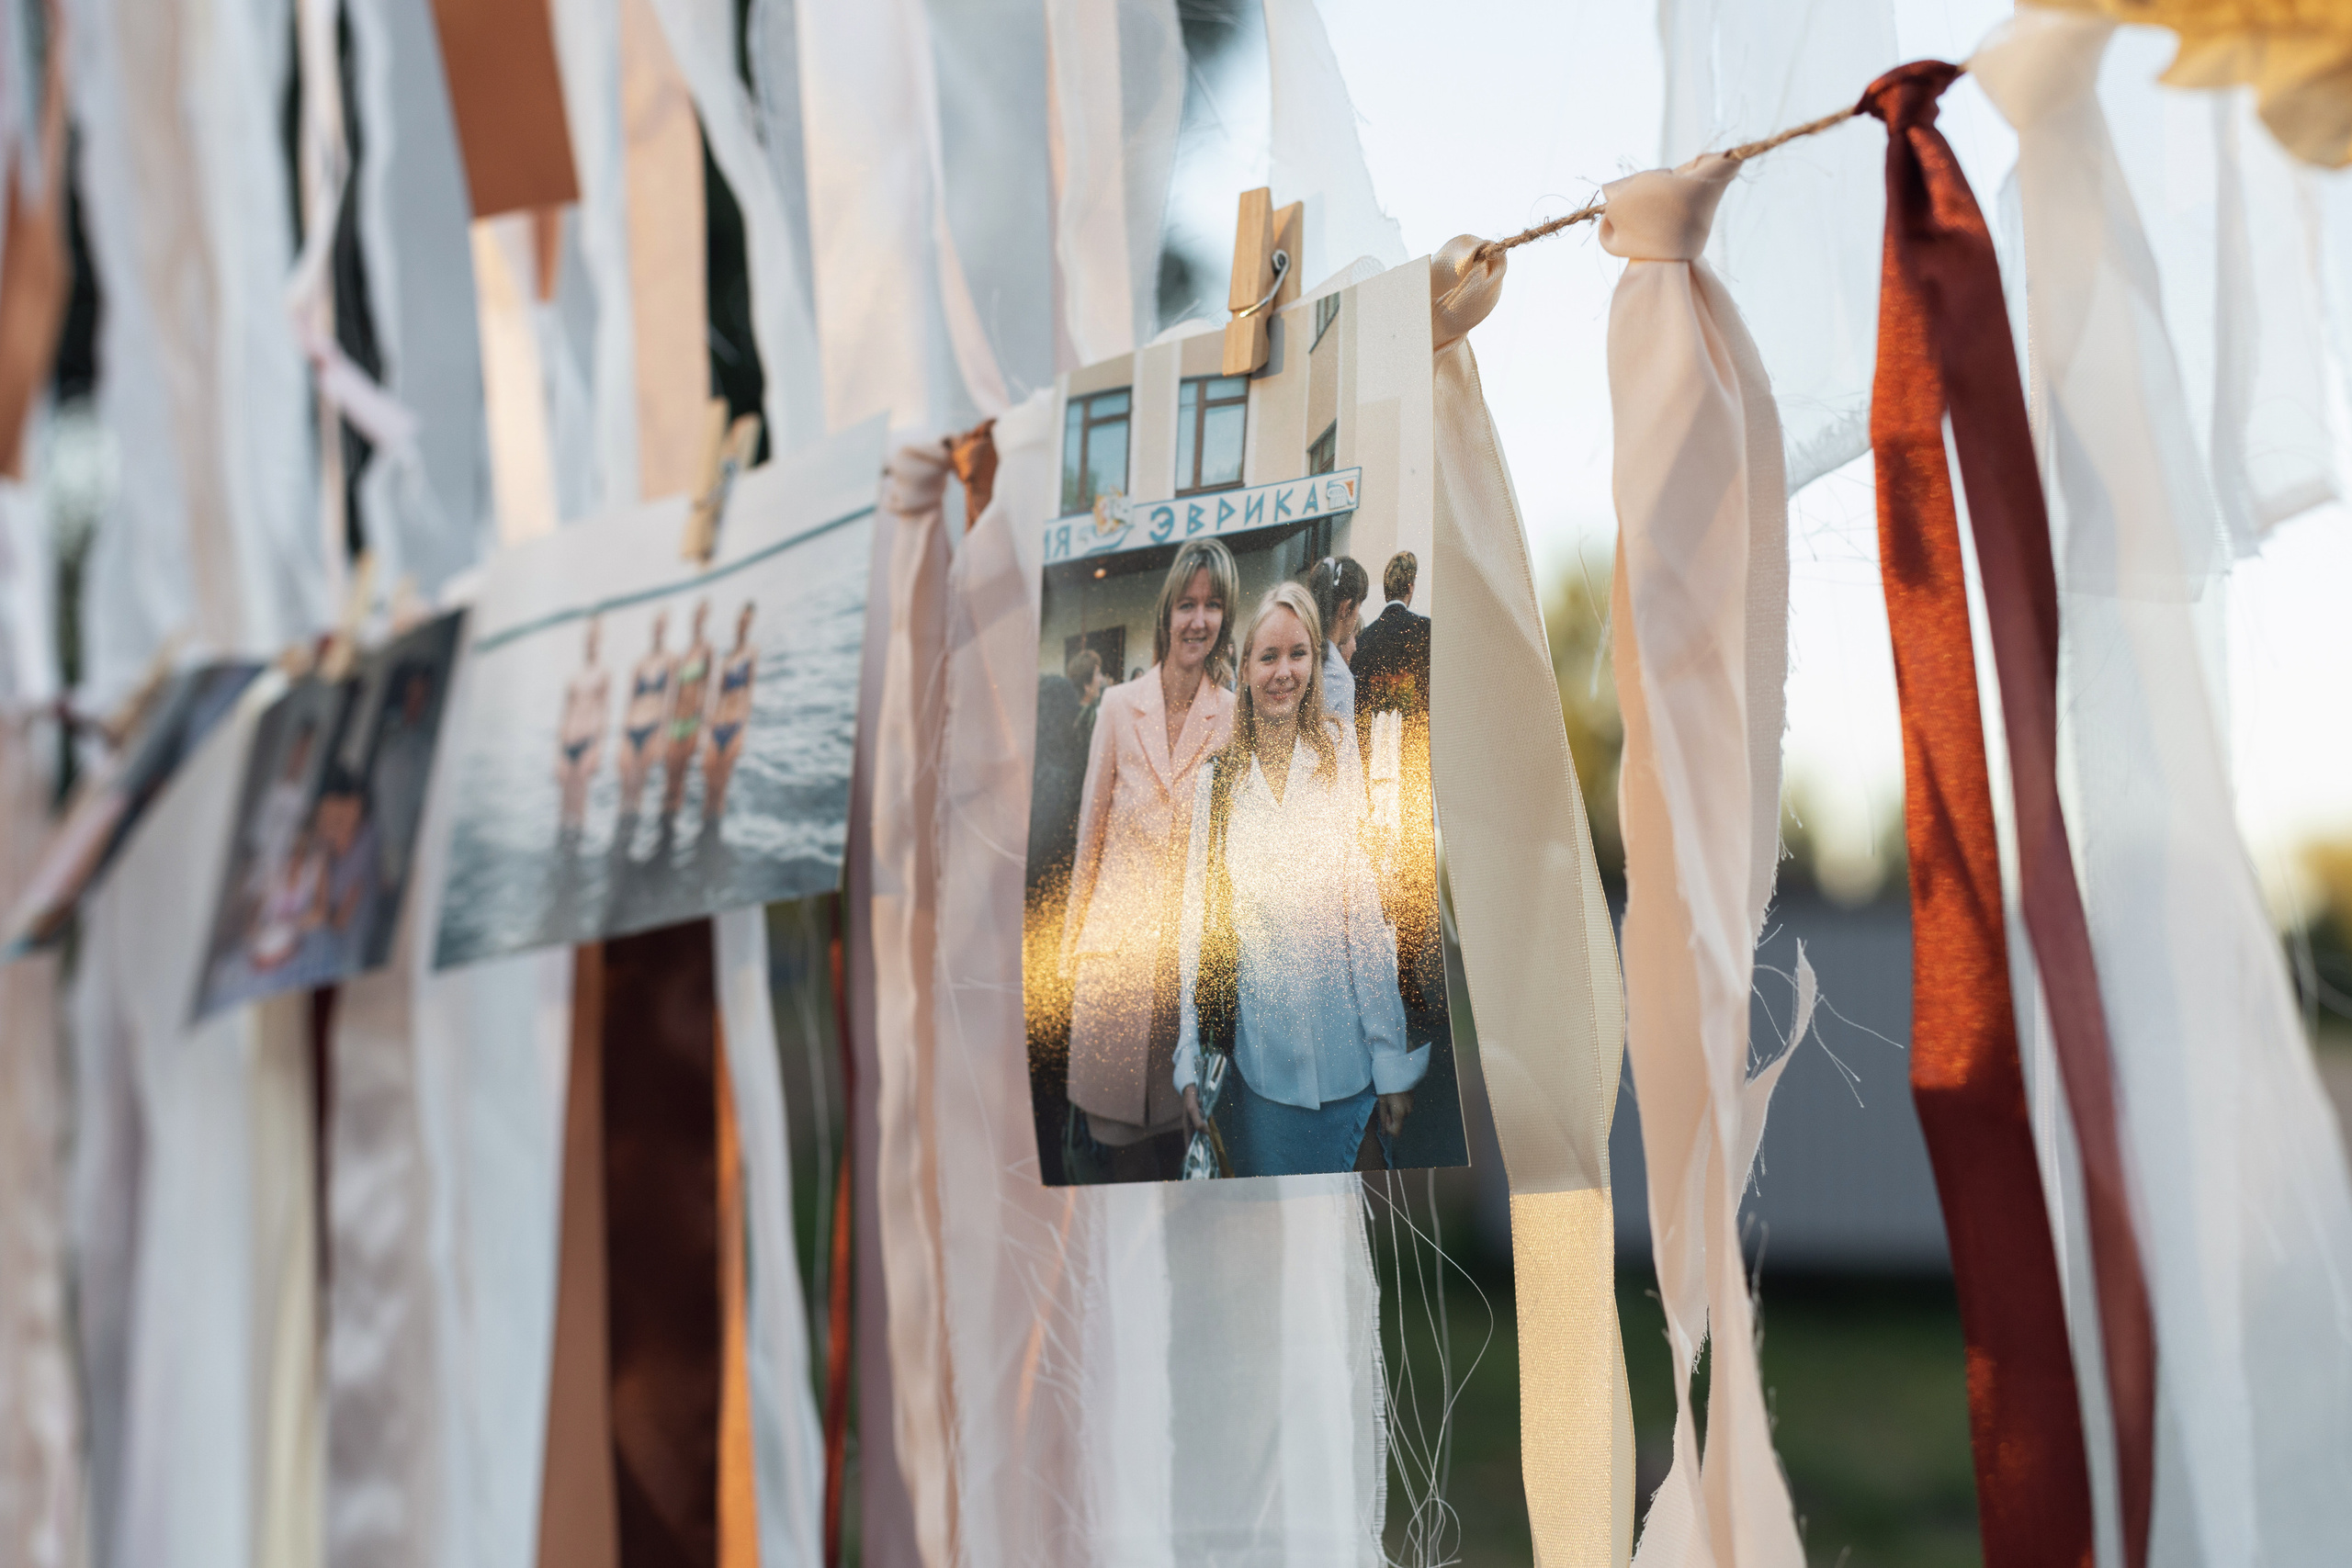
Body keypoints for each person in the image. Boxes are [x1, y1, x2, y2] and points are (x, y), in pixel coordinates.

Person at [1174, 581, 1424, 1178]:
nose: (1283, 672)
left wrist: (1389, 1059)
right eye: (1268, 656)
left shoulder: (1339, 755)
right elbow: (1195, 926)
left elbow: (1363, 912)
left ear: (1315, 660)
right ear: (1245, 669)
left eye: (1298, 653)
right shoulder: (1217, 782)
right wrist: (1188, 1059)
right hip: (1267, 1081)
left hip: (1351, 1069)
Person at [1058, 538, 1240, 1181]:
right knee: (1117, 1163)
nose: (1198, 620)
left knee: (1181, 1162)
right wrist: (1070, 958)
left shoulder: (1232, 718)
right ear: (1167, 612)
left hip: (1181, 985)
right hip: (1113, 971)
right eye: (1187, 604)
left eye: (1212, 605)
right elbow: (1089, 840)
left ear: (1225, 616)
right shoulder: (1117, 707)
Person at [1348, 550, 1441, 1035]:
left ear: (1385, 589)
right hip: (1412, 771)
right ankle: (1406, 973)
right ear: (1411, 586)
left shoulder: (1362, 642)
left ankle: (1376, 974)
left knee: (1376, 871)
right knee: (1414, 870)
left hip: (1370, 774)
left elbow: (1356, 711)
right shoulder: (1426, 633)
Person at [702, 602, 758, 825]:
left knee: (721, 785)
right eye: (740, 621)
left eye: (747, 622)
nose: (742, 625)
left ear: (750, 624)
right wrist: (709, 724)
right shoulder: (726, 658)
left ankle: (714, 831)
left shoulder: (751, 653)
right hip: (718, 722)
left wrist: (743, 730)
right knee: (709, 783)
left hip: (735, 723)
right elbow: (716, 693)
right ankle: (704, 831)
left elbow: (749, 693)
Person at [556, 615, 611, 832]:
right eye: (588, 637)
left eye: (595, 637)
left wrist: (597, 750)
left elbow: (604, 714)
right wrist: (558, 755)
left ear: (600, 640)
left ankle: (576, 844)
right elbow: (565, 714)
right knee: (563, 810)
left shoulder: (603, 673)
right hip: (568, 743)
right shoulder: (574, 676)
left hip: (586, 743)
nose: (591, 641)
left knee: (579, 808)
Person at [619, 613, 675, 817]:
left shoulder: (670, 660)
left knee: (639, 786)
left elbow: (669, 699)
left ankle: (634, 819)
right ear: (652, 628)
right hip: (633, 726)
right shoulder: (640, 663)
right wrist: (623, 735)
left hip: (652, 726)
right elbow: (630, 701)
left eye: (662, 625)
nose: (659, 629)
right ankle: (623, 823)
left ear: (666, 629)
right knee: (625, 786)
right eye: (656, 625)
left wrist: (662, 734)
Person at [664, 600, 716, 818]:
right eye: (696, 616)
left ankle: (674, 819)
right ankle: (666, 820)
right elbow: (672, 693)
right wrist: (665, 725)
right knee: (670, 777)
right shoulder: (682, 655)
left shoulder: (707, 650)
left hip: (692, 721)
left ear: (706, 619)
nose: (698, 620)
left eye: (702, 616)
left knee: (682, 777)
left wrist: (705, 726)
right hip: (676, 720)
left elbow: (708, 687)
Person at [1307, 555, 1368, 728]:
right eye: (1358, 607)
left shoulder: (1303, 655)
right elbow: (1343, 743)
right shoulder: (1340, 678)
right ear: (1346, 608)